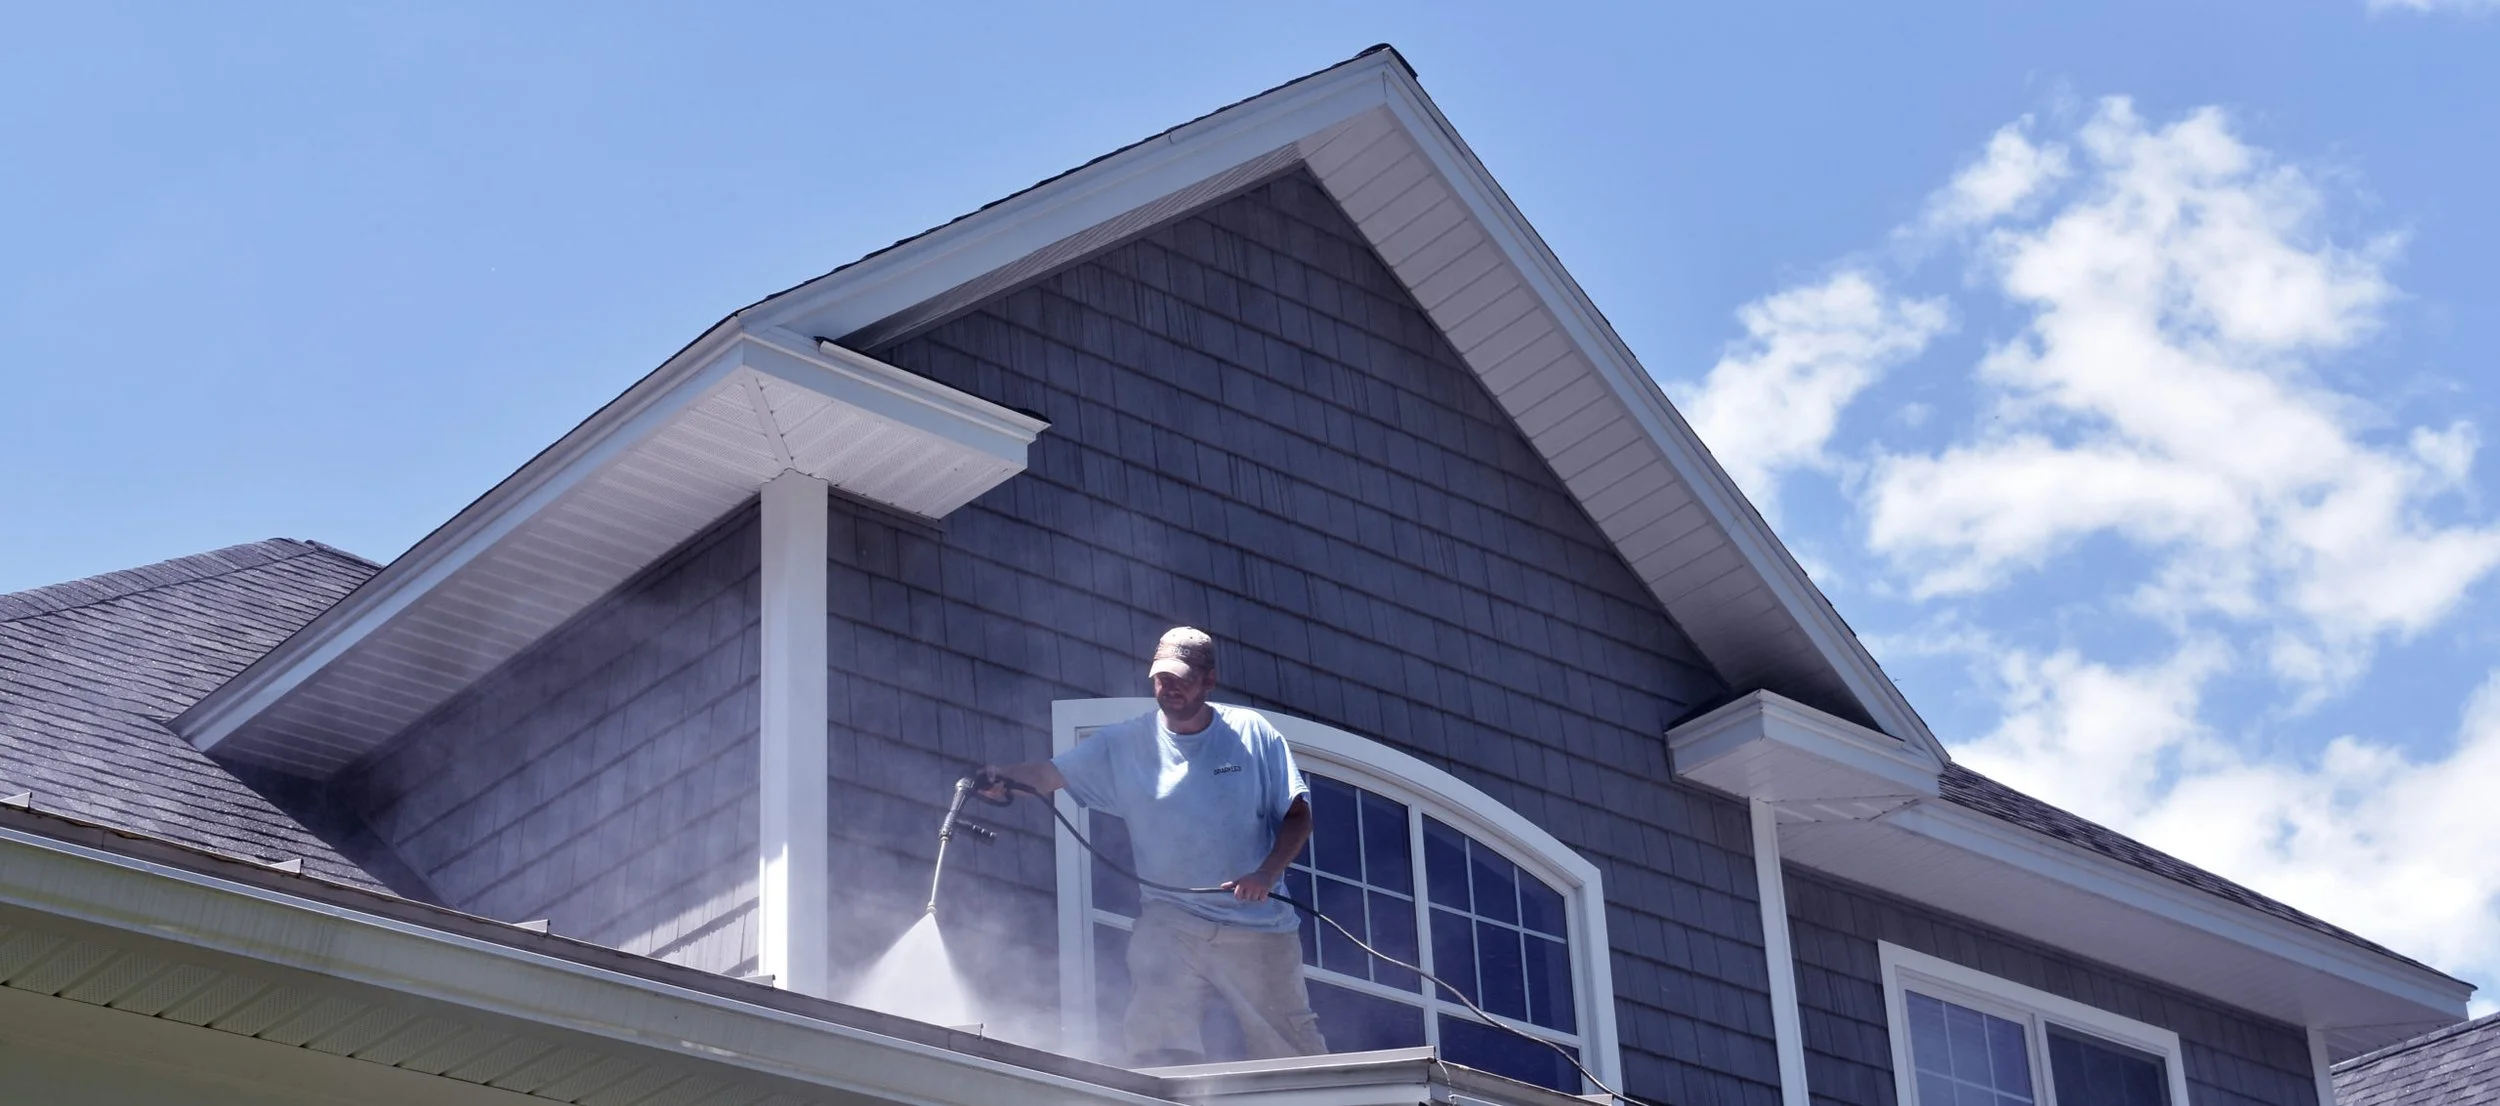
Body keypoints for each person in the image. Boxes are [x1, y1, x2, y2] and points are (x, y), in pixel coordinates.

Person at [978, 627, 1327, 1067]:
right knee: (1156, 1022)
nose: (1170, 687)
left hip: (1257, 925)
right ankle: (1165, 1094)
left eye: (1181, 677)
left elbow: (1299, 817)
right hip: (1172, 918)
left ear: (1209, 680)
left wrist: (1266, 875)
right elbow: (1050, 775)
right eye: (1161, 678)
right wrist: (1002, 778)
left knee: (1289, 1047)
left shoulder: (1251, 734)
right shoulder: (1125, 743)